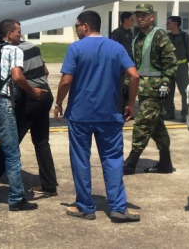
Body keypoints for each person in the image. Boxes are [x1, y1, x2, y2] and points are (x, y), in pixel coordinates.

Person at [54, 11, 141, 222]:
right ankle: (119, 207)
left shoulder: (75, 48)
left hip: (81, 115)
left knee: (81, 159)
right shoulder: (116, 47)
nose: (75, 30)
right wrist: (130, 103)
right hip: (109, 114)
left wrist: (58, 103)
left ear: (85, 26)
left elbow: (66, 81)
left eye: (76, 26)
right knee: (112, 159)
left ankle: (85, 206)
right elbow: (134, 75)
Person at [0, 20, 45, 211]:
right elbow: (17, 76)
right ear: (9, 34)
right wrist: (33, 91)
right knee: (12, 154)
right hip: (0, 103)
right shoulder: (14, 50)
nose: (20, 36)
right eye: (18, 32)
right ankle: (16, 198)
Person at [0, 39, 58, 197]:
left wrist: (30, 90)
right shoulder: (31, 46)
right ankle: (49, 185)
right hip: (45, 94)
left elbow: (17, 76)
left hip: (31, 97)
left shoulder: (12, 51)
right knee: (41, 142)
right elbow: (45, 71)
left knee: (10, 140)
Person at [123, 4, 178, 176]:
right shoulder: (137, 37)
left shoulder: (158, 35)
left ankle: (131, 162)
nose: (140, 19)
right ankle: (165, 163)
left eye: (144, 15)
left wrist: (165, 84)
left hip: (155, 90)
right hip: (142, 89)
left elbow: (171, 62)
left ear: (151, 17)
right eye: (138, 15)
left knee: (142, 124)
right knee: (157, 127)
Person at [163, 16, 189, 122]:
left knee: (184, 92)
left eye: (168, 23)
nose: (167, 25)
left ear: (175, 24)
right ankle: (170, 112)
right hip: (169, 67)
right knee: (167, 91)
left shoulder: (185, 37)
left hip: (181, 68)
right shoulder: (167, 37)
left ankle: (185, 113)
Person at [110, 12, 136, 113]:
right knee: (119, 89)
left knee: (129, 89)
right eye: (131, 19)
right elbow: (113, 49)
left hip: (130, 65)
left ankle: (126, 110)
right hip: (120, 66)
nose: (133, 21)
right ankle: (118, 110)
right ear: (125, 20)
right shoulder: (116, 33)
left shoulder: (131, 32)